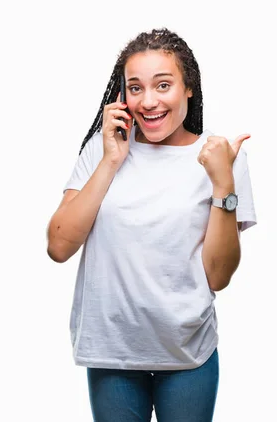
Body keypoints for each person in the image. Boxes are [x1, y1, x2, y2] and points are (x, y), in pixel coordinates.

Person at [46, 27, 257, 422]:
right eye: (136, 88)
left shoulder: (220, 157)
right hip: (112, 351)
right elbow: (59, 247)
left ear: (188, 87)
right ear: (123, 95)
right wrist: (111, 160)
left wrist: (223, 182)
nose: (149, 101)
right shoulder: (103, 148)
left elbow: (218, 276)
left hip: (187, 352)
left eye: (163, 85)